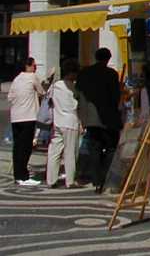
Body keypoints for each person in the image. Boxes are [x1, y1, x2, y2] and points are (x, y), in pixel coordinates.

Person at [75, 47, 121, 192]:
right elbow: (115, 96)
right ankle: (106, 176)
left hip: (91, 119)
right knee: (111, 148)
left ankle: (96, 180)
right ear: (108, 59)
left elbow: (78, 94)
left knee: (94, 149)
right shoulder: (111, 74)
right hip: (108, 118)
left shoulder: (84, 73)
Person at [8, 57, 45, 186]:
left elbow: (10, 97)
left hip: (15, 117)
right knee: (26, 147)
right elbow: (42, 92)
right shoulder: (32, 77)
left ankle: (18, 175)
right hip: (28, 116)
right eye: (35, 66)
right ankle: (23, 176)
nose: (36, 68)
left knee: (17, 147)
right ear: (28, 66)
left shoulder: (16, 79)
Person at [46, 59, 81, 188]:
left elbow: (49, 101)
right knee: (70, 152)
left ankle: (51, 180)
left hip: (57, 121)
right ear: (71, 73)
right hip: (71, 122)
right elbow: (77, 105)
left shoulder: (55, 86)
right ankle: (70, 181)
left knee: (54, 151)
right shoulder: (74, 87)